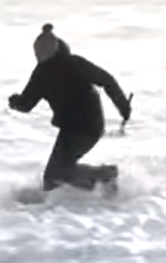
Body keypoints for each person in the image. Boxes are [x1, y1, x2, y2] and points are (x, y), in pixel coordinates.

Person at [8, 23, 132, 192]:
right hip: (84, 127)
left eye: (42, 52)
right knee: (57, 175)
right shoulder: (45, 72)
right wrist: (123, 107)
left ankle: (103, 177)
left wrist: (15, 102)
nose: (40, 56)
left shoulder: (65, 66)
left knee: (54, 177)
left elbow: (106, 80)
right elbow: (27, 104)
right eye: (37, 52)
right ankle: (95, 190)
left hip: (84, 127)